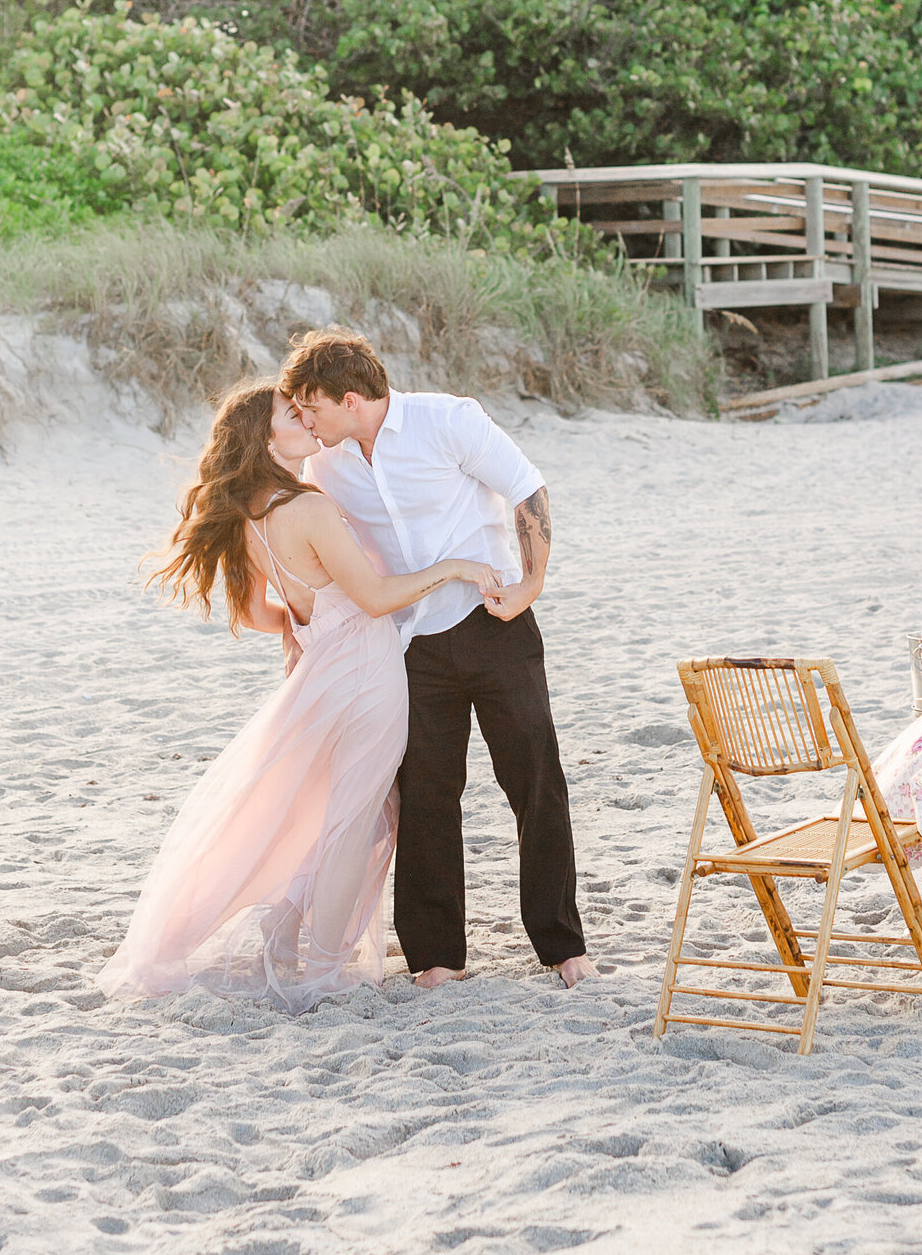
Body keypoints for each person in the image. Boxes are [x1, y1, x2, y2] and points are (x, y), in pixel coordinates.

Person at [96, 380, 501, 1013]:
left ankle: (286, 928)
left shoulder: (251, 514)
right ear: (265, 437)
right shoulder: (307, 508)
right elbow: (374, 597)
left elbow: (260, 612)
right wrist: (454, 567)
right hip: (367, 674)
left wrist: (304, 618)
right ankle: (324, 966)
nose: (308, 421)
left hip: (321, 674)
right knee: (357, 817)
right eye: (293, 415)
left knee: (349, 810)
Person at [279, 329, 593, 992]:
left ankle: (563, 944)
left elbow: (527, 489)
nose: (308, 421)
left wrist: (531, 583)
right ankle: (437, 956)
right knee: (426, 793)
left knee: (535, 777)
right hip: (410, 642)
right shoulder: (326, 464)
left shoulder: (448, 419)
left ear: (352, 397)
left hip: (493, 619)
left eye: (315, 408)